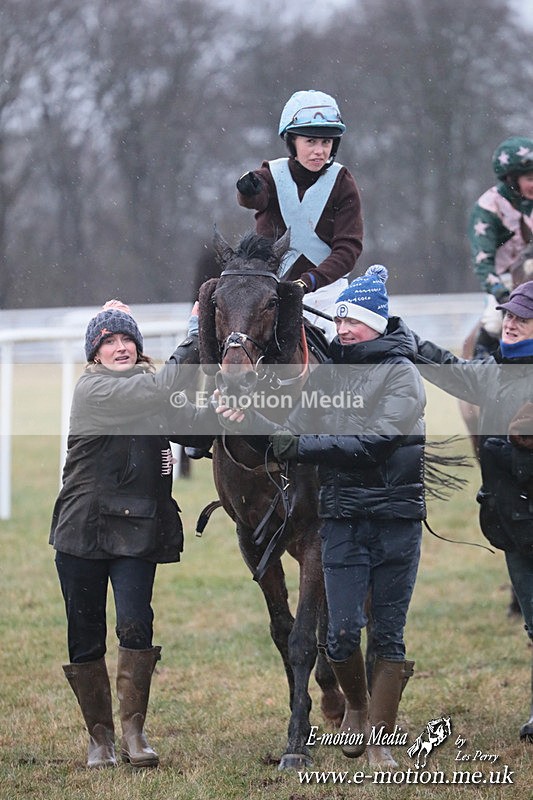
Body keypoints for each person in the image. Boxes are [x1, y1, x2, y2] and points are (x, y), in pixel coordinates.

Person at [216, 266, 424, 767]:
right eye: (345, 322)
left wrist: (306, 284)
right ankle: (354, 706)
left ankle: (377, 736)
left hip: (392, 517)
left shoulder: (396, 375)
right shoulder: (266, 198)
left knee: (384, 630)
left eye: (356, 323)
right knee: (343, 631)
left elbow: (345, 245)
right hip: (346, 516)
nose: (346, 329)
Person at [50, 300, 213, 769]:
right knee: (85, 635)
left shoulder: (150, 388)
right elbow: (160, 390)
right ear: (94, 354)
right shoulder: (94, 390)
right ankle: (99, 738)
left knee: (136, 624)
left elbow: (194, 434)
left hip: (138, 531)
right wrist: (195, 330)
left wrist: (222, 415)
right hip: (82, 529)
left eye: (127, 340)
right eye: (109, 342)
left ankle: (134, 735)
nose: (120, 348)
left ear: (138, 349)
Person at [414, 280, 533, 743]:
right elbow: (449, 368)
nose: (511, 322)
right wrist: (403, 338)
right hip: (515, 523)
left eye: (522, 318)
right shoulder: (495, 373)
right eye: (509, 316)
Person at [235, 89, 364, 341]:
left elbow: (348, 250)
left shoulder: (342, 182)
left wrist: (308, 282)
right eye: (310, 141)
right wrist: (247, 189)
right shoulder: (271, 173)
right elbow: (254, 198)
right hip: (271, 294)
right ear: (292, 142)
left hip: (328, 295)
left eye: (326, 142)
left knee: (347, 352)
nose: (319, 151)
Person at [469, 136, 533, 357]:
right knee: (495, 322)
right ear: (511, 179)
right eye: (530, 178)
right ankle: (480, 364)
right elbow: (483, 264)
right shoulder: (488, 207)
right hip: (504, 281)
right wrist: (503, 295)